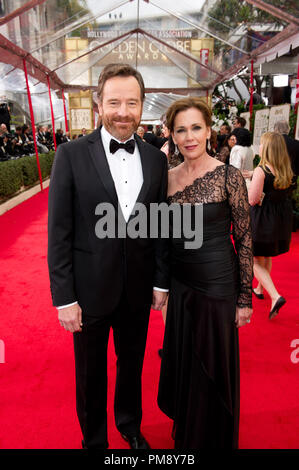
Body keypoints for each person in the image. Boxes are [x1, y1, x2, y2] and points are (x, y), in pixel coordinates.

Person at [48, 63, 169, 450]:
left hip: (137, 288)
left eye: (131, 103)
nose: (122, 111)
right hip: (88, 291)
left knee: (132, 365)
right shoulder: (69, 154)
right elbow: (59, 232)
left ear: (142, 105)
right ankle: (95, 440)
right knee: (90, 373)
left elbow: (160, 225)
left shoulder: (155, 159)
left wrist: (160, 281)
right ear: (99, 103)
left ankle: (130, 426)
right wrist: (64, 298)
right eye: (114, 102)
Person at [158, 97, 253, 449]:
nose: (189, 136)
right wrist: (161, 285)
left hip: (218, 287)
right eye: (181, 129)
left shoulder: (228, 177)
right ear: (172, 134)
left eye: (196, 127)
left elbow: (244, 239)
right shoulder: (166, 180)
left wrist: (245, 296)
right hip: (181, 288)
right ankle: (188, 437)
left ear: (209, 130)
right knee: (187, 365)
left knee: (212, 366)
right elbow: (162, 240)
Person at [248, 131, 293, 319]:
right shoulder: (286, 170)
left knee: (250, 258)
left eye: (261, 144)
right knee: (264, 254)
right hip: (278, 221)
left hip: (261, 220)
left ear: (267, 149)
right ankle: (259, 287)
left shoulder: (262, 171)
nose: (259, 146)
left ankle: (275, 295)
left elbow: (252, 199)